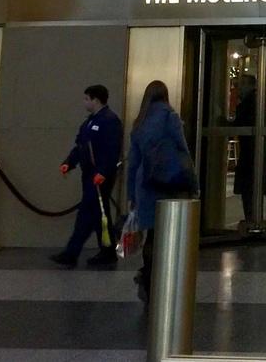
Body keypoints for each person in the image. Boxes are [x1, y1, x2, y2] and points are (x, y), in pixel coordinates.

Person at [128, 80, 196, 303]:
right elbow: (183, 150)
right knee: (166, 234)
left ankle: (148, 278)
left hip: (145, 183)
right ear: (165, 96)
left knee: (151, 234)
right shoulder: (170, 117)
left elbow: (133, 162)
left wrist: (131, 195)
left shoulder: (139, 122)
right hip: (168, 181)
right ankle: (160, 281)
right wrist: (192, 183)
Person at [51, 84, 123, 269]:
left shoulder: (109, 121)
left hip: (99, 177)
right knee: (98, 214)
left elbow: (112, 150)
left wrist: (103, 172)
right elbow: (80, 147)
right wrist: (69, 162)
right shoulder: (89, 123)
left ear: (95, 100)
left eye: (86, 99)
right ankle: (107, 251)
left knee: (87, 213)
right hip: (89, 175)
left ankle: (72, 253)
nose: (84, 102)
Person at [232, 74, 266, 230]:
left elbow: (239, 125)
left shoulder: (249, 103)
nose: (239, 88)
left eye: (242, 84)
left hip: (252, 154)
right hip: (258, 153)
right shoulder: (257, 101)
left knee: (253, 189)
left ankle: (252, 220)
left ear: (250, 85)